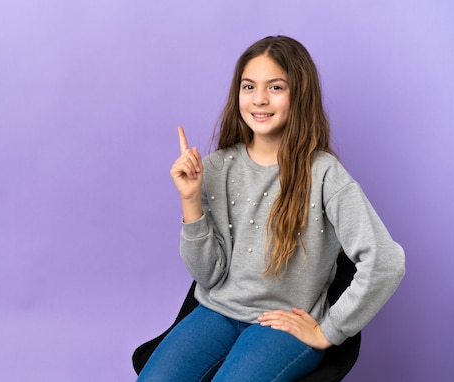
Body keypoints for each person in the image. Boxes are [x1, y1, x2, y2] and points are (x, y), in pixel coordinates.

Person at [136, 35, 405, 382]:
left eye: (275, 87)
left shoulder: (324, 174)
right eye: (249, 86)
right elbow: (208, 275)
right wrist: (190, 200)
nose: (259, 99)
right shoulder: (216, 168)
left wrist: (329, 331)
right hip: (218, 311)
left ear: (300, 95)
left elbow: (386, 262)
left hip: (283, 322)